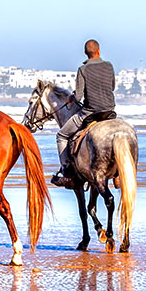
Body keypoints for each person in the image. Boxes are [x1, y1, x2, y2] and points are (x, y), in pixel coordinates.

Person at [51, 39, 116, 188]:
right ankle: (117, 174)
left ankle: (67, 174)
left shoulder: (83, 69)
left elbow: (79, 97)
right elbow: (111, 87)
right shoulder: (109, 66)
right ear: (99, 51)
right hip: (110, 111)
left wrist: (71, 98)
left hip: (90, 113)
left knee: (61, 136)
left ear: (86, 54)